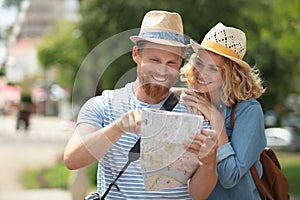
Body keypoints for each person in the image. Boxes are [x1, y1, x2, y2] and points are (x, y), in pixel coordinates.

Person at [64, 10, 218, 200]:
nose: (162, 71)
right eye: (154, 60)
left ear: (180, 64)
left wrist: (209, 162)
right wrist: (118, 127)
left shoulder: (194, 112)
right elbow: (72, 159)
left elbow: (199, 195)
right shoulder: (102, 106)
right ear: (136, 54)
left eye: (171, 63)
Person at [179, 22, 267, 199]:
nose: (200, 73)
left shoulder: (248, 111)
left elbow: (230, 177)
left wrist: (216, 120)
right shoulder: (192, 101)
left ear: (230, 74)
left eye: (212, 68)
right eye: (199, 63)